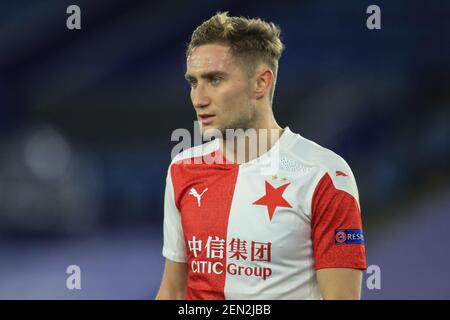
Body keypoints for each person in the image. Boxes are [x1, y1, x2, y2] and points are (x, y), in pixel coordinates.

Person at [156, 12, 366, 300]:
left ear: (261, 83)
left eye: (215, 80)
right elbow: (173, 292)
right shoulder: (182, 169)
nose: (198, 98)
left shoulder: (324, 175)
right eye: (193, 82)